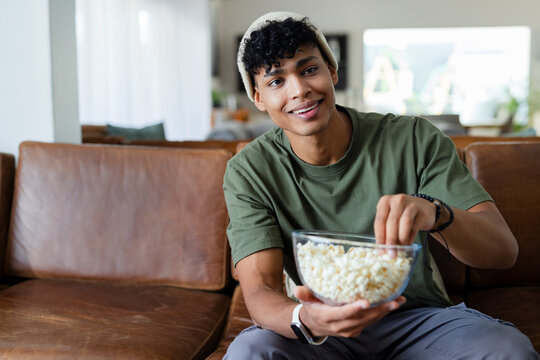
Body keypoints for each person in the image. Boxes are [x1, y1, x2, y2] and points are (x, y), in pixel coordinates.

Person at [223, 11, 539, 359]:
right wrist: (306, 318)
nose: (299, 90)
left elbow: (502, 252)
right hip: (318, 331)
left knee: (507, 349)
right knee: (250, 351)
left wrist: (435, 213)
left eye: (308, 69)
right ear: (258, 97)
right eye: (276, 81)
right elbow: (260, 289)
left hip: (417, 321)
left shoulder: (413, 139)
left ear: (332, 70)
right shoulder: (249, 170)